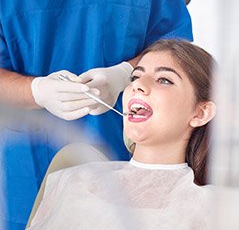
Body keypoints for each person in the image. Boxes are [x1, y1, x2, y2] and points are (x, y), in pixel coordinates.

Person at [0, 0, 192, 228]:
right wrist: (35, 91)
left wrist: (125, 73)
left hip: (123, 154)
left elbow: (178, 49)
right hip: (27, 167)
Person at [27, 39, 216, 230]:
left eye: (164, 80)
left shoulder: (216, 208)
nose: (138, 85)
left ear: (200, 113)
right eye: (134, 78)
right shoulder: (73, 181)